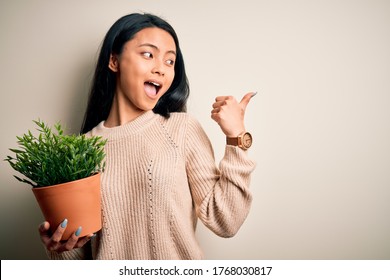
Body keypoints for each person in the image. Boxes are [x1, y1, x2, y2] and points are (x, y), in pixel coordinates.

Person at [38, 12, 256, 260]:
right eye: (148, 54)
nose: (161, 69)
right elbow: (78, 257)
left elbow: (226, 221)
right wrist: (59, 248)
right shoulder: (80, 149)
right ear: (114, 61)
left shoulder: (181, 129)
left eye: (170, 61)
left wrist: (237, 137)